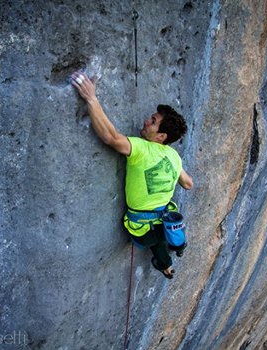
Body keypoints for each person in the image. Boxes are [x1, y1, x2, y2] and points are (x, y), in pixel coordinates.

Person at [71, 71, 193, 279]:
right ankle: (175, 252)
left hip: (141, 230)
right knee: (160, 237)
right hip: (162, 218)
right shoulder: (173, 156)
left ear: (161, 136)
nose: (147, 121)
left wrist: (91, 99)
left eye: (152, 121)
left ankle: (170, 257)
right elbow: (188, 183)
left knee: (153, 238)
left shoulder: (141, 148)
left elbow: (110, 137)